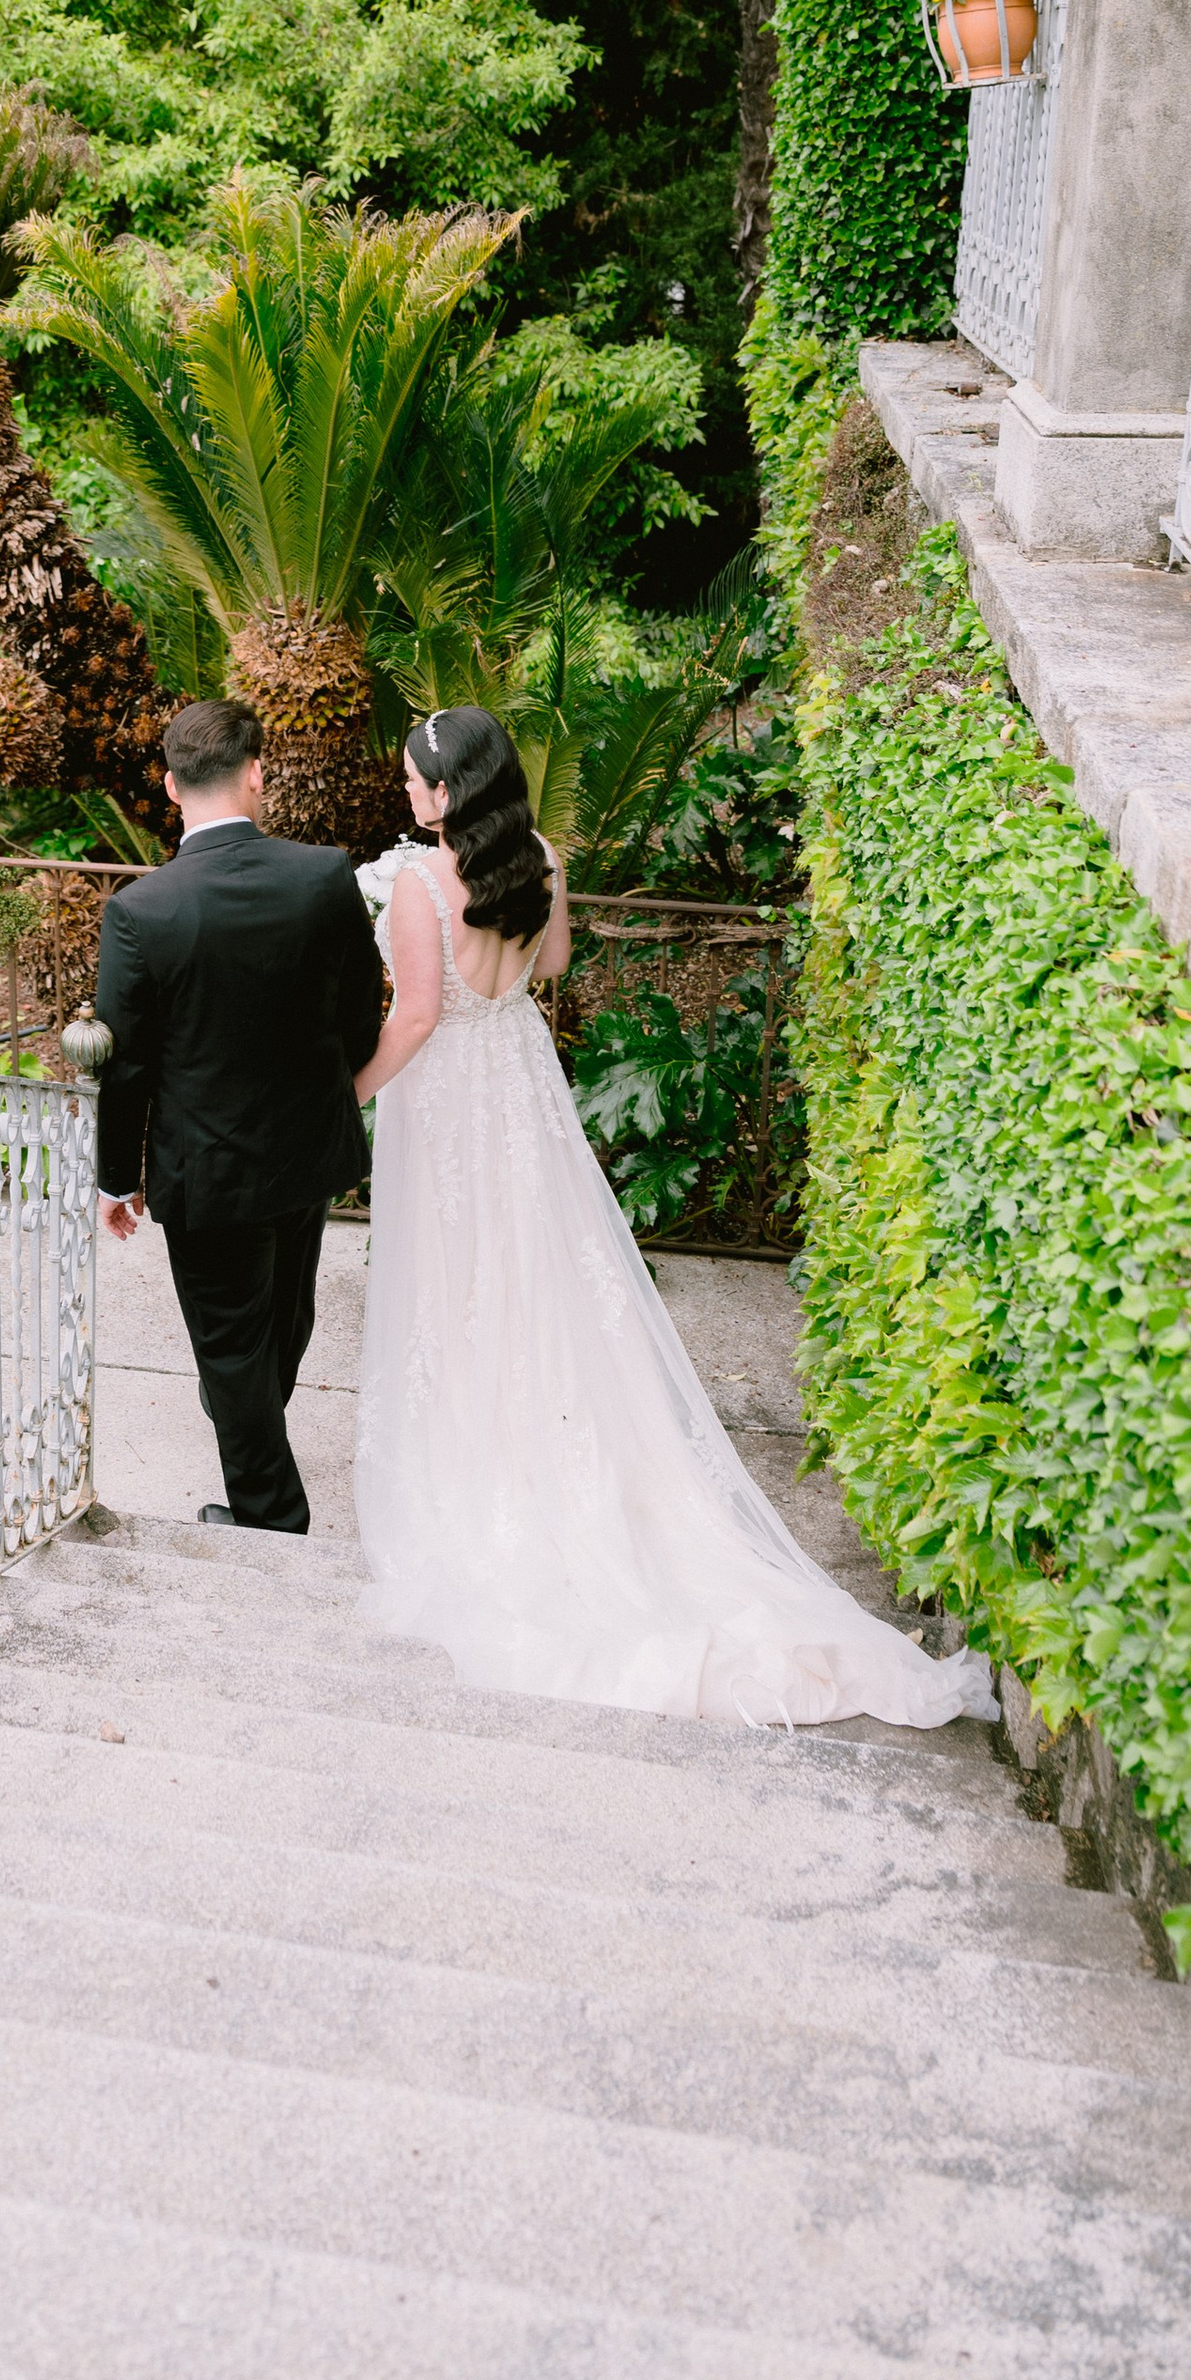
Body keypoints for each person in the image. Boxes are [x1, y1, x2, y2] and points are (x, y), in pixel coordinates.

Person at [350, 703, 995, 1729]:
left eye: (414, 780)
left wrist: (347, 1091)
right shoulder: (542, 858)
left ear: (447, 789)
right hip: (519, 1086)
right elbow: (550, 967)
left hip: (449, 1109)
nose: (407, 793)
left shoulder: (418, 887)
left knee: (459, 1283)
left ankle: (485, 1470)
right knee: (540, 1274)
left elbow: (416, 1017)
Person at [93, 697, 386, 1533]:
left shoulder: (141, 911)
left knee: (236, 1354)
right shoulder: (322, 875)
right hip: (307, 1158)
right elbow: (362, 1011)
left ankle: (270, 1523)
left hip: (207, 1175)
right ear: (256, 772)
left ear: (169, 785)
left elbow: (127, 1064)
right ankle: (257, 1460)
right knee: (280, 1328)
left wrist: (118, 1177)